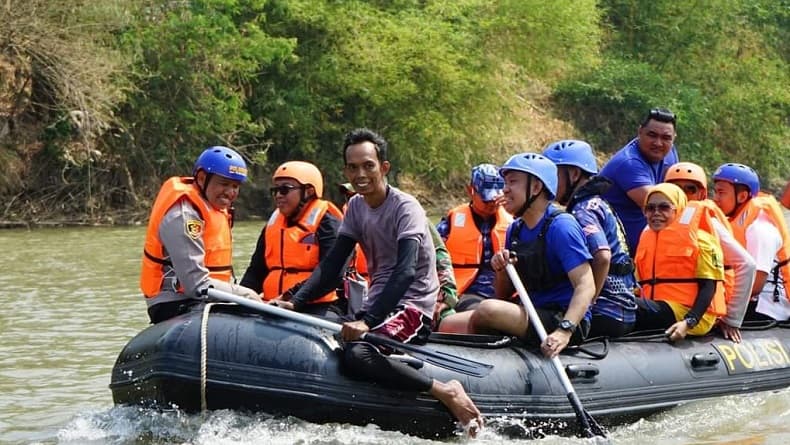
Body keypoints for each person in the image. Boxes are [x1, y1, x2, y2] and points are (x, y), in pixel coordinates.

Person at [274, 128, 484, 433]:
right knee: (339, 347)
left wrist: (367, 322)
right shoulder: (356, 207)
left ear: (383, 167)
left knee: (358, 353)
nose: (361, 174)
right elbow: (332, 264)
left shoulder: (405, 208)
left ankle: (445, 390)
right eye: (353, 167)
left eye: (368, 165)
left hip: (412, 308)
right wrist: (295, 300)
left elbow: (406, 271)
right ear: (346, 170)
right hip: (378, 306)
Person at [476, 153, 597, 358]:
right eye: (505, 182)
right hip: (534, 311)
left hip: (564, 318)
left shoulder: (561, 226)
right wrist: (502, 270)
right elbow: (503, 294)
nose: (504, 189)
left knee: (488, 309)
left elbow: (586, 285)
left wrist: (564, 330)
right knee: (462, 319)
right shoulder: (515, 230)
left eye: (513, 182)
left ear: (535, 188)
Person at [140, 146, 261, 324]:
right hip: (174, 303)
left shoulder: (213, 208)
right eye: (224, 184)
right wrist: (247, 294)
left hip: (204, 298)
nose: (230, 192)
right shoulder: (184, 215)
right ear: (203, 178)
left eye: (235, 186)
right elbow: (195, 285)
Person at [542, 140, 638, 338]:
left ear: (574, 175)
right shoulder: (598, 203)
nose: (547, 182)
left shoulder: (583, 209)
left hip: (606, 310)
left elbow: (602, 257)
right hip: (622, 307)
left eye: (554, 174)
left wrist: (587, 304)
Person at [339, 182, 459, 328]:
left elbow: (441, 258)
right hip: (372, 295)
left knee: (447, 322)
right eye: (350, 197)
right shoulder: (352, 220)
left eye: (364, 194)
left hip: (417, 299)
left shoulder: (408, 217)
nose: (361, 198)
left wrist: (446, 299)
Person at [665, 162, 756, 342]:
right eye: (675, 188)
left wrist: (732, 320)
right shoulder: (656, 221)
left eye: (689, 189)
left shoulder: (708, 224)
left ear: (701, 194)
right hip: (665, 304)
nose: (682, 194)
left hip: (696, 313)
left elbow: (746, 264)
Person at [240, 161, 344, 319]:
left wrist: (292, 299)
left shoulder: (328, 223)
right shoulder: (273, 224)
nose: (278, 195)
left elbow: (331, 274)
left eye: (284, 190)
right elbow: (256, 271)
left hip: (315, 305)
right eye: (275, 190)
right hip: (273, 304)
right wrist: (240, 296)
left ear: (308, 191)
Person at [634, 183, 727, 342]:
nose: (656, 213)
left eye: (664, 207)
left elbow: (708, 288)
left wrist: (689, 322)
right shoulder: (646, 238)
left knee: (628, 308)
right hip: (657, 305)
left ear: (678, 209)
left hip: (690, 313)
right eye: (650, 208)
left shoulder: (702, 241)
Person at [436, 164, 512, 333]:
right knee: (482, 316)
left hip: (506, 293)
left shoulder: (512, 220)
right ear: (471, 190)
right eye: (486, 199)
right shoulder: (451, 220)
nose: (491, 204)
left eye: (495, 199)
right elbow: (430, 250)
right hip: (469, 292)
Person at [712, 163, 790, 321]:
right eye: (715, 192)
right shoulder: (735, 221)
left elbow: (755, 286)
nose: (715, 199)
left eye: (721, 193)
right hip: (748, 302)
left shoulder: (760, 228)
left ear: (741, 196)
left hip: (767, 308)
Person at [599, 108, 680, 255]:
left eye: (666, 138)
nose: (658, 143)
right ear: (640, 132)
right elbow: (662, 207)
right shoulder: (629, 163)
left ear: (674, 138)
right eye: (652, 135)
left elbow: (678, 194)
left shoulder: (670, 153)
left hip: (648, 250)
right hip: (618, 255)